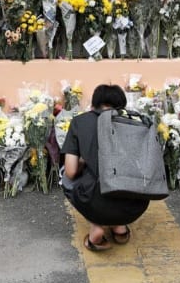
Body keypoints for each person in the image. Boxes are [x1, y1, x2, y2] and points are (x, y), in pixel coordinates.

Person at [60, 84, 149, 251]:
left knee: (65, 175)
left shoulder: (80, 122)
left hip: (95, 202)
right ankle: (119, 227)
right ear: (122, 105)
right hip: (136, 205)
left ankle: (97, 228)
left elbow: (71, 172)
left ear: (94, 104)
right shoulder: (137, 122)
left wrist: (85, 161)